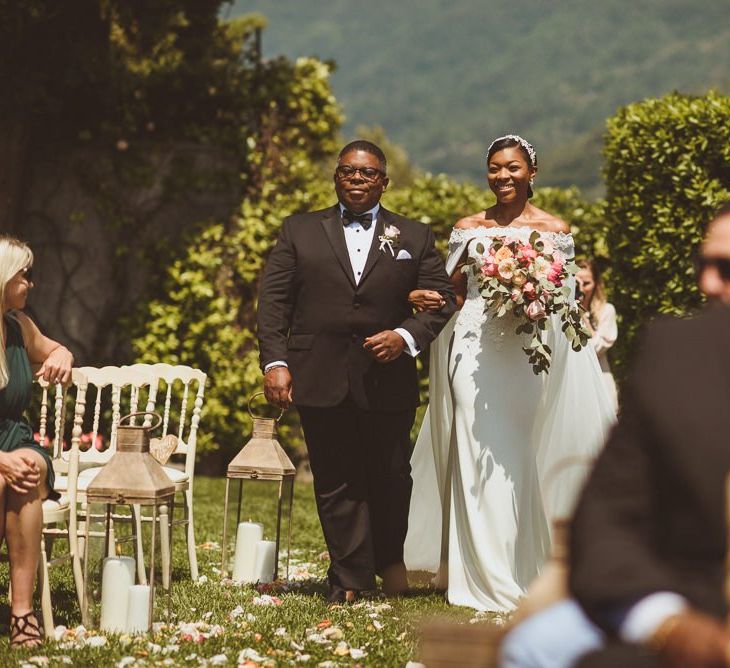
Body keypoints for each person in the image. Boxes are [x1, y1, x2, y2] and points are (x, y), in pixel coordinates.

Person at [498, 201, 730, 668]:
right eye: (703, 265)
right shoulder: (677, 353)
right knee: (534, 646)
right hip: (688, 603)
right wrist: (665, 622)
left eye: (725, 268)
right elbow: (605, 518)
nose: (706, 283)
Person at [404, 135, 615, 612]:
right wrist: (421, 299)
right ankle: (480, 574)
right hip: (474, 350)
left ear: (531, 173)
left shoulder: (556, 230)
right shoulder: (467, 228)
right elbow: (451, 292)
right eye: (495, 168)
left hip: (526, 354)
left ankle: (522, 565)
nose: (503, 176)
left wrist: (532, 295)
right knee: (475, 452)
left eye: (513, 168)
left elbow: (565, 303)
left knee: (518, 455)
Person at [256, 140, 456, 603]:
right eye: (349, 172)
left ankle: (390, 565)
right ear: (336, 177)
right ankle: (350, 577)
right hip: (319, 375)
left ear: (384, 181)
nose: (358, 180)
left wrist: (404, 337)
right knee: (336, 479)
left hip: (387, 381)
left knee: (390, 477)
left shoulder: (415, 236)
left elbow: (441, 299)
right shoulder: (299, 230)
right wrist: (277, 362)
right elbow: (274, 305)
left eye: (368, 174)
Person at [0, 235, 74, 647]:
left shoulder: (19, 326)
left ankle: (22, 612)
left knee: (25, 473)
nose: (30, 283)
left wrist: (62, 352)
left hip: (18, 438)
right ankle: (20, 613)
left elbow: (54, 349)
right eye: (24, 275)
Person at [576, 260, 618, 411]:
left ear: (596, 284)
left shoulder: (606, 311)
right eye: (576, 282)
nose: (581, 288)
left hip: (599, 383)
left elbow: (597, 348)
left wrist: (581, 315)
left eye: (586, 283)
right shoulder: (560, 313)